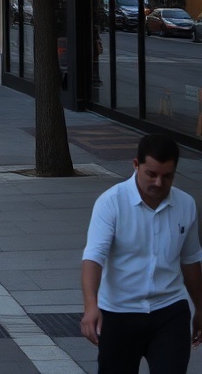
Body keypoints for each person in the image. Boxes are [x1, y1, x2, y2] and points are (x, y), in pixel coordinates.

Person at [81, 134, 202, 374]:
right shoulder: (111, 202)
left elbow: (190, 260)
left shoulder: (186, 204)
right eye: (151, 174)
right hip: (119, 312)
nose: (159, 182)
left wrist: (200, 306)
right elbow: (94, 257)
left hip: (169, 310)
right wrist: (91, 306)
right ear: (136, 165)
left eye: (167, 176)